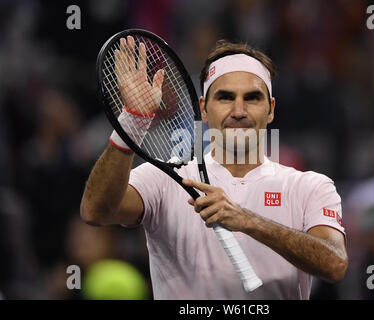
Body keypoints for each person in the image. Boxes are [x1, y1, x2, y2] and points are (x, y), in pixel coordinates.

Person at [80, 37, 348, 299]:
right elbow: (96, 211)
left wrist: (248, 220)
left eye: (252, 98)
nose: (239, 110)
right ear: (203, 109)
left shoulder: (310, 186)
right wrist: (133, 121)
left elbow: (334, 263)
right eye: (225, 97)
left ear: (271, 109)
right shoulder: (163, 177)